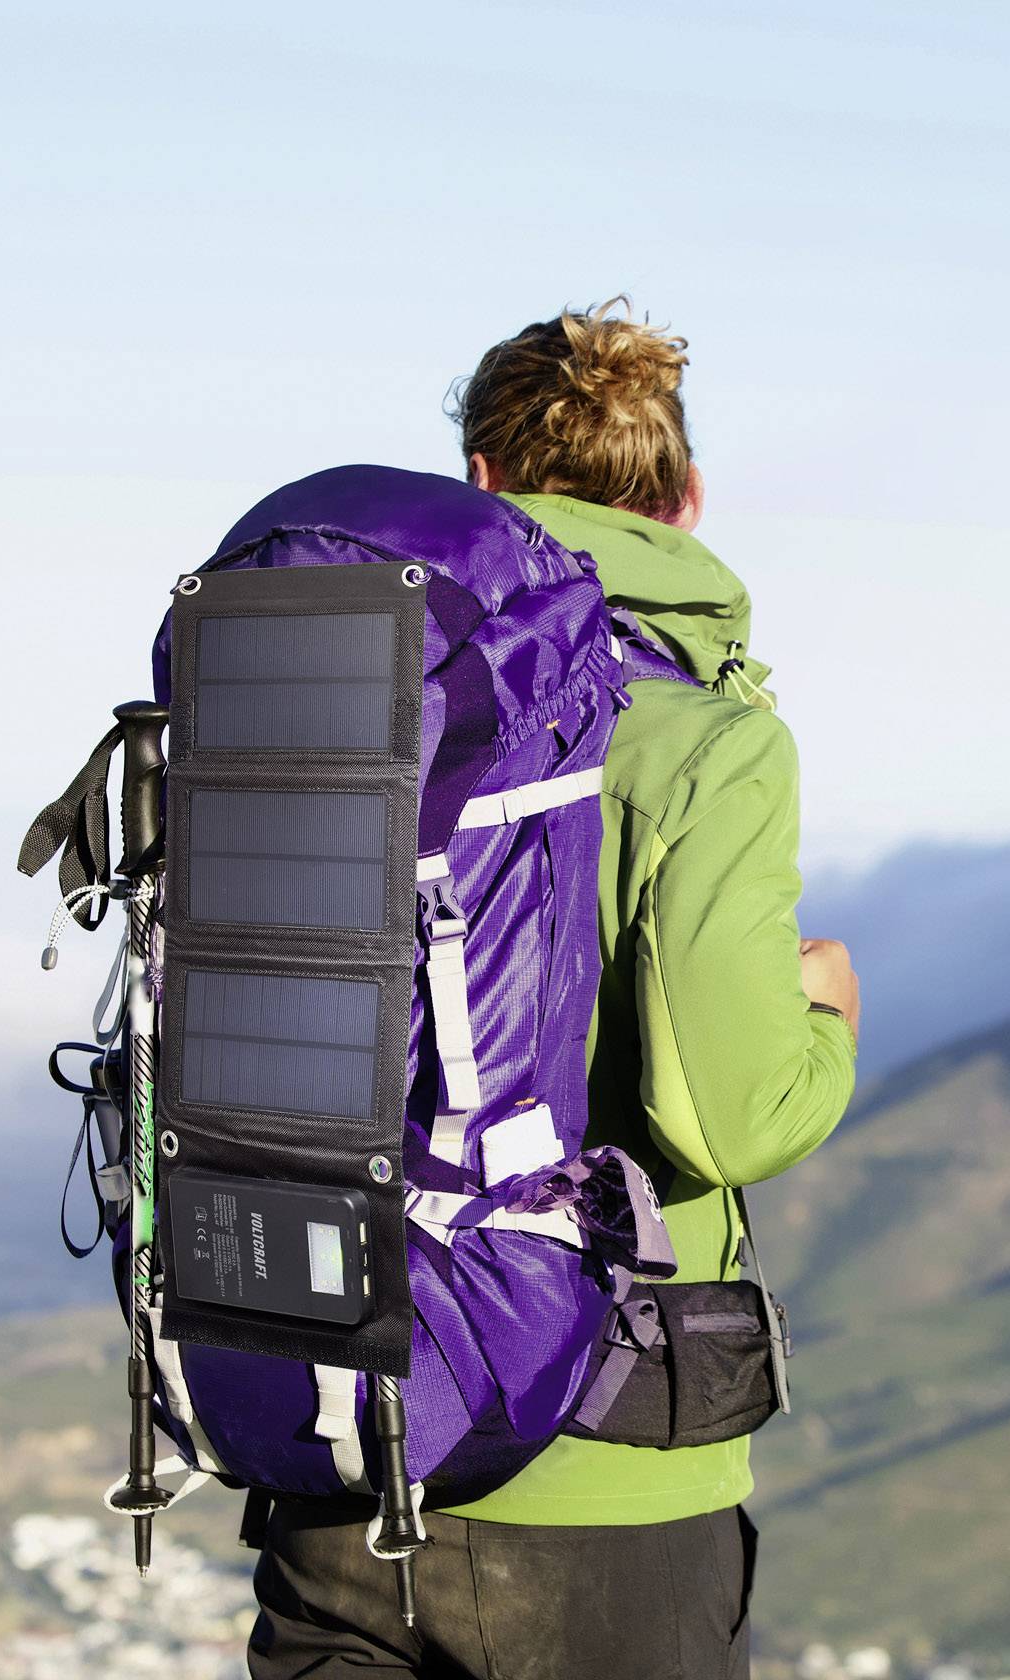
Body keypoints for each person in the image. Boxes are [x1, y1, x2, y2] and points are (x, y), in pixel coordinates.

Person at [246, 300, 861, 1679]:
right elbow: (726, 1120)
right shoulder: (706, 745)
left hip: (345, 1426)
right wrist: (827, 1019)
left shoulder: (343, 701)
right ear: (687, 500)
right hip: (603, 1485)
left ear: (478, 485)